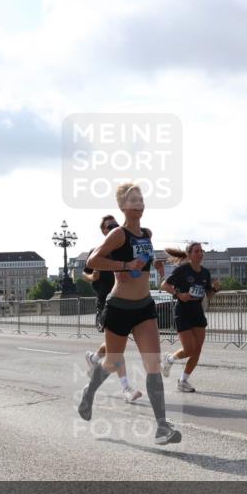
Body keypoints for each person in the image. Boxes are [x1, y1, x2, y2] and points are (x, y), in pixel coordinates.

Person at [78, 182, 180, 445]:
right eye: (133, 200)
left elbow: (141, 266)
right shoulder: (118, 234)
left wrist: (153, 267)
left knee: (153, 364)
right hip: (119, 307)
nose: (139, 203)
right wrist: (123, 265)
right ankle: (89, 392)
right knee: (112, 362)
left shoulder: (147, 234)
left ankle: (161, 427)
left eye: (141, 199)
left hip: (144, 306)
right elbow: (92, 261)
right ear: (122, 206)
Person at [83, 214, 142, 403]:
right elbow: (85, 273)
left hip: (125, 301)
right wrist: (93, 277)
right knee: (117, 350)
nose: (114, 227)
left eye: (116, 225)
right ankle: (126, 388)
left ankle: (94, 358)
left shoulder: (125, 249)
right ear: (103, 231)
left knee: (114, 345)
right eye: (110, 226)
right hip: (106, 302)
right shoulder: (97, 251)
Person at [160, 242, 221, 392]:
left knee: (197, 349)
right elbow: (164, 285)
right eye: (196, 251)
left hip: (197, 312)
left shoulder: (205, 273)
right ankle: (169, 359)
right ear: (189, 255)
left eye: (201, 251)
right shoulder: (182, 270)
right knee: (189, 349)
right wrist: (179, 294)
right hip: (183, 312)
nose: (200, 253)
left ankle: (183, 381)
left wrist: (214, 289)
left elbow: (208, 295)